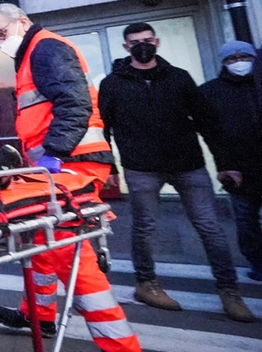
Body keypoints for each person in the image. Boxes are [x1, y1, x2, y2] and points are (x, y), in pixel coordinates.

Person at [0, 4, 150, 352]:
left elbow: (73, 103)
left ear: (21, 22)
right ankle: (38, 316)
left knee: (68, 251)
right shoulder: (31, 54)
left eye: (0, 33)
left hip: (70, 162)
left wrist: (55, 153)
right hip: (60, 164)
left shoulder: (45, 48)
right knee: (40, 237)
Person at [98, 22, 254, 322]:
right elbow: (103, 127)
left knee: (210, 228)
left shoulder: (179, 78)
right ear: (126, 47)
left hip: (187, 164)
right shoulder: (113, 84)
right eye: (135, 42)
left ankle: (229, 292)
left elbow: (207, 121)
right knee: (144, 228)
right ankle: (146, 284)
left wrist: (225, 163)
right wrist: (109, 167)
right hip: (141, 166)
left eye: (147, 40)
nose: (142, 45)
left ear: (156, 41)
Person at [200, 41, 262, 283]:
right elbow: (212, 133)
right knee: (246, 218)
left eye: (243, 56)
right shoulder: (211, 91)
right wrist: (224, 165)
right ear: (224, 62)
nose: (239, 62)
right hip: (238, 167)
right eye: (232, 58)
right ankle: (257, 261)